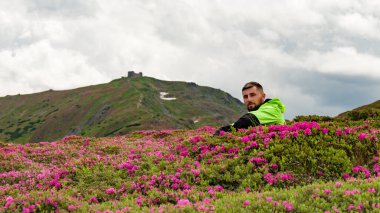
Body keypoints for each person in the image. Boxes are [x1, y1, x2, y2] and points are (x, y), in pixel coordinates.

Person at [216, 82, 286, 134]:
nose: (249, 99)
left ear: (263, 96)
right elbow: (236, 125)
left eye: (252, 95)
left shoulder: (272, 108)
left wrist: (222, 132)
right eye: (245, 97)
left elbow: (247, 120)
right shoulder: (258, 112)